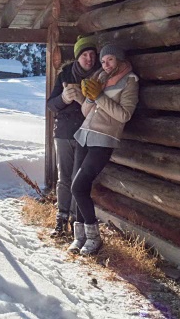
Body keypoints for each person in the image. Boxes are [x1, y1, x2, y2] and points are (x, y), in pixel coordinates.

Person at [67, 43, 140, 255]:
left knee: (78, 187)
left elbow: (125, 115)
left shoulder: (130, 80)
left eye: (109, 60)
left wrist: (99, 96)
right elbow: (86, 111)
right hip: (85, 134)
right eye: (103, 61)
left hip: (104, 138)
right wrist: (87, 97)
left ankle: (94, 237)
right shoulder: (100, 77)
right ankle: (80, 237)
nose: (105, 64)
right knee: (78, 186)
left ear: (118, 59)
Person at [46, 35, 100, 237]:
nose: (89, 59)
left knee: (79, 180)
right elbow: (51, 105)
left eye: (92, 54)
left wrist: (81, 100)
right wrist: (63, 98)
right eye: (85, 55)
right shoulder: (65, 74)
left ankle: (78, 221)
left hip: (87, 133)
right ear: (78, 57)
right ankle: (61, 219)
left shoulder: (99, 77)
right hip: (64, 132)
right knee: (64, 178)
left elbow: (100, 108)